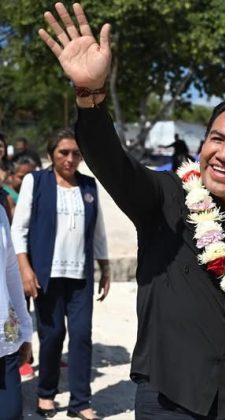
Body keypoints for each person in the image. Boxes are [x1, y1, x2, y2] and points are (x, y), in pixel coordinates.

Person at [38, 4, 225, 419]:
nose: (224, 153)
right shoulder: (164, 199)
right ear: (202, 144)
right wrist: (89, 95)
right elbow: (110, 161)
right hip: (168, 400)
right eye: (216, 139)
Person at [11, 128, 111, 419]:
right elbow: (19, 229)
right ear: (51, 154)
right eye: (63, 152)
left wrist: (104, 267)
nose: (70, 159)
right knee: (52, 335)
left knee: (81, 336)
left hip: (80, 277)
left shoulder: (89, 186)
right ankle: (46, 393)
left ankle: (80, 402)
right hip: (46, 275)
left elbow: (99, 230)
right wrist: (25, 268)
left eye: (76, 154)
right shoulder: (35, 182)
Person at [0, 201, 33, 419]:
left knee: (11, 413)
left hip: (5, 338)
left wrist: (26, 330)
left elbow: (11, 270)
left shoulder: (0, 212)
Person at [3, 155, 38, 220]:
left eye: (30, 177)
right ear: (11, 175)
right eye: (21, 177)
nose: (26, 180)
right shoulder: (6, 194)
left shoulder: (34, 192)